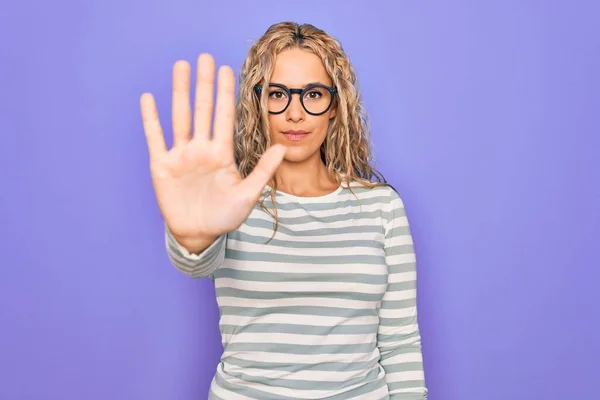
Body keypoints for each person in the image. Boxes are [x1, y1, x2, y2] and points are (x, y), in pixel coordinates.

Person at [140, 21, 427, 400]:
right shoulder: (230, 200)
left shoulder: (382, 208)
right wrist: (192, 239)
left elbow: (400, 343)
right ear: (258, 104)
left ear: (335, 105)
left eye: (313, 94)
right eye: (278, 94)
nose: (295, 113)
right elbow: (197, 264)